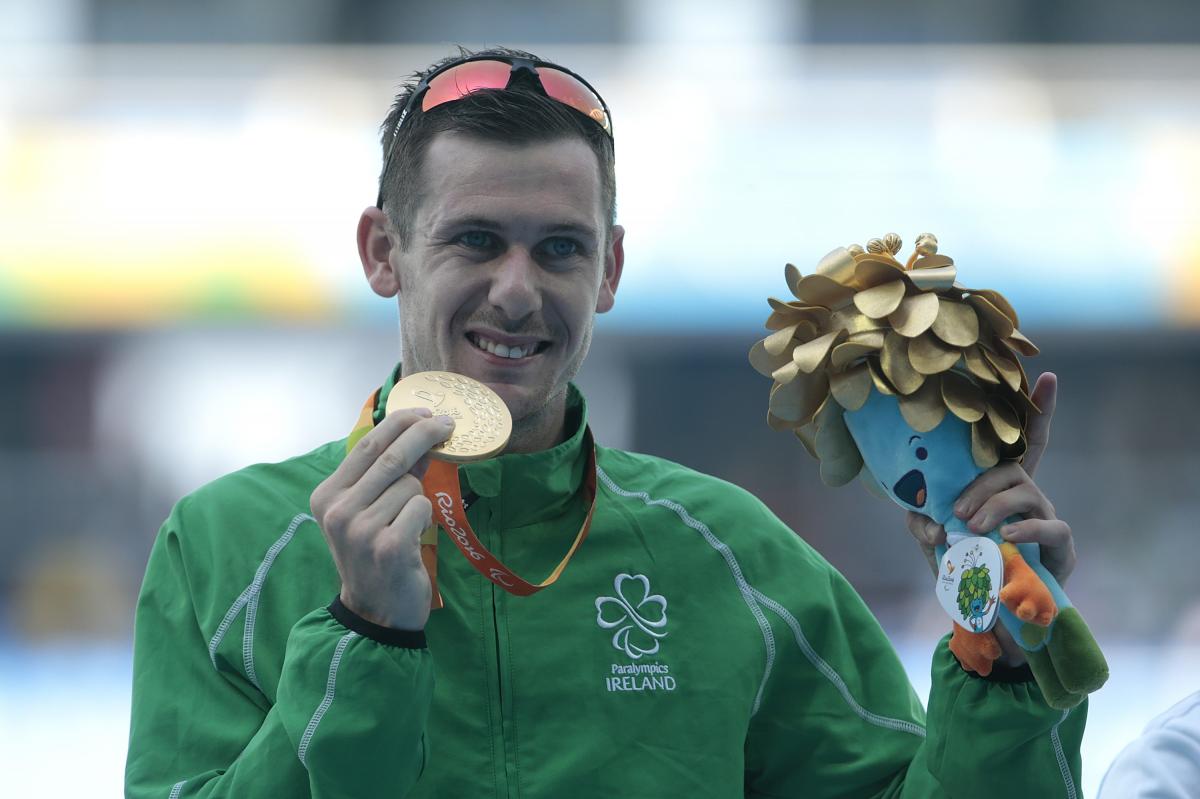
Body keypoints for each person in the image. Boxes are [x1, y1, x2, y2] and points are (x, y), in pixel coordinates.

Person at [124, 46, 1087, 797]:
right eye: (474, 239)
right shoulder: (223, 546)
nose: (517, 290)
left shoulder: (733, 555)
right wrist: (362, 640)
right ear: (384, 252)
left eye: (559, 249)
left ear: (611, 272)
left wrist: (996, 653)